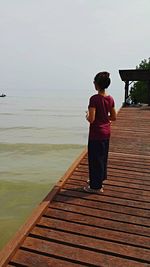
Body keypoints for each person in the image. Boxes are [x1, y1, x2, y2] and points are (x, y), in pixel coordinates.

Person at [84, 71, 117, 193]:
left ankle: (96, 187)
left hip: (96, 133)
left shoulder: (94, 99)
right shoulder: (110, 99)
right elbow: (113, 117)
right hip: (106, 132)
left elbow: (91, 119)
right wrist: (104, 117)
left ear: (97, 84)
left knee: (95, 159)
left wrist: (87, 115)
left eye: (94, 82)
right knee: (102, 157)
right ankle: (99, 179)